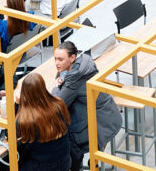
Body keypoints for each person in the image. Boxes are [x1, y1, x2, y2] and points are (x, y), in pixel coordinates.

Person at [51, 41, 123, 171]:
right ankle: (92, 162)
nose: (57, 63)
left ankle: (84, 165)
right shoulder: (84, 62)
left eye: (61, 59)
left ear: (73, 58)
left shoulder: (75, 77)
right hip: (109, 114)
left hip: (100, 124)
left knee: (64, 134)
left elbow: (59, 104)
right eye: (55, 59)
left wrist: (56, 88)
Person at [15, 73, 73, 171]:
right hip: (65, 162)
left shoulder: (25, 120)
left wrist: (16, 105)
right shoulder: (58, 104)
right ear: (43, 88)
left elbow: (11, 135)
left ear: (24, 93)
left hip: (41, 167)